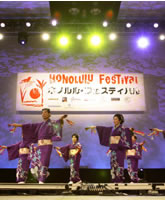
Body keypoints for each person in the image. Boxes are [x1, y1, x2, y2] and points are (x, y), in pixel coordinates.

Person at [8, 108, 72, 184]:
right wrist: (18, 125)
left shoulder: (52, 123)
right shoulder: (40, 124)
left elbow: (58, 123)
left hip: (47, 146)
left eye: (45, 112)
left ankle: (42, 179)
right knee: (34, 164)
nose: (43, 114)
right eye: (42, 113)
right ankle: (45, 174)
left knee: (44, 163)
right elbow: (30, 126)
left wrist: (61, 118)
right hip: (39, 147)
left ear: (49, 114)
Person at [85, 113, 133, 183]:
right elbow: (104, 129)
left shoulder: (123, 129)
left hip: (119, 150)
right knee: (113, 165)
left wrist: (117, 141)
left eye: (116, 119)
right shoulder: (112, 129)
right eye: (113, 119)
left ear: (120, 120)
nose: (114, 120)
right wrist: (95, 127)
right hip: (113, 150)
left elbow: (125, 138)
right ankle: (114, 181)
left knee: (118, 165)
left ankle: (119, 181)